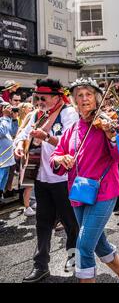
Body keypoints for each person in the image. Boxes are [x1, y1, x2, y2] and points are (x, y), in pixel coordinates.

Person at [50, 78, 119, 283]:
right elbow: (55, 157)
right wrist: (61, 158)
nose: (85, 98)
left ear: (96, 99)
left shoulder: (107, 124)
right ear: (74, 101)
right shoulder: (70, 130)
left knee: (84, 246)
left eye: (88, 94)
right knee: (98, 243)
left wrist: (111, 135)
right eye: (80, 95)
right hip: (79, 193)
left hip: (104, 191)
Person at [15, 79, 79, 283]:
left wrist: (47, 137)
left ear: (56, 97)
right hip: (41, 178)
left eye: (43, 98)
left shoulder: (68, 113)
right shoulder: (36, 114)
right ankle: (40, 265)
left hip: (63, 179)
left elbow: (72, 143)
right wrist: (18, 146)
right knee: (42, 224)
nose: (39, 101)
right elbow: (22, 136)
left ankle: (75, 261)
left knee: (71, 224)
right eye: (37, 97)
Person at [0, 102, 18, 202]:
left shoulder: (5, 120)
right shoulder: (4, 120)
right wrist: (6, 116)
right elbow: (1, 132)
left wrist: (14, 119)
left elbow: (13, 132)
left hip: (6, 161)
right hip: (1, 161)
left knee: (1, 188)